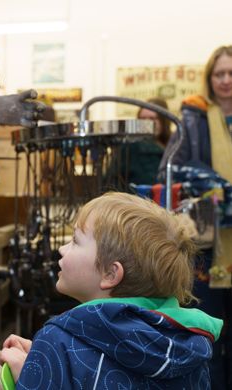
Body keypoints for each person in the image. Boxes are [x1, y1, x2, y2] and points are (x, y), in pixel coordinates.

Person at [0, 192, 222, 389]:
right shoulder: (188, 349)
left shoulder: (57, 340)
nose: (62, 249)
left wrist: (30, 375)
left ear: (110, 274)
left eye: (76, 241)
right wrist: (46, 358)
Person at [158, 45, 232, 390]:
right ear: (209, 77)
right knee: (209, 336)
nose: (226, 80)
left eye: (231, 73)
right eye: (220, 73)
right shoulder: (194, 115)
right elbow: (169, 167)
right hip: (208, 242)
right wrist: (219, 186)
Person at [111, 97, 171, 187]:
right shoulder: (129, 147)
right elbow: (112, 180)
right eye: (142, 119)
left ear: (163, 121)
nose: (146, 123)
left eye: (152, 118)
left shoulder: (174, 144)